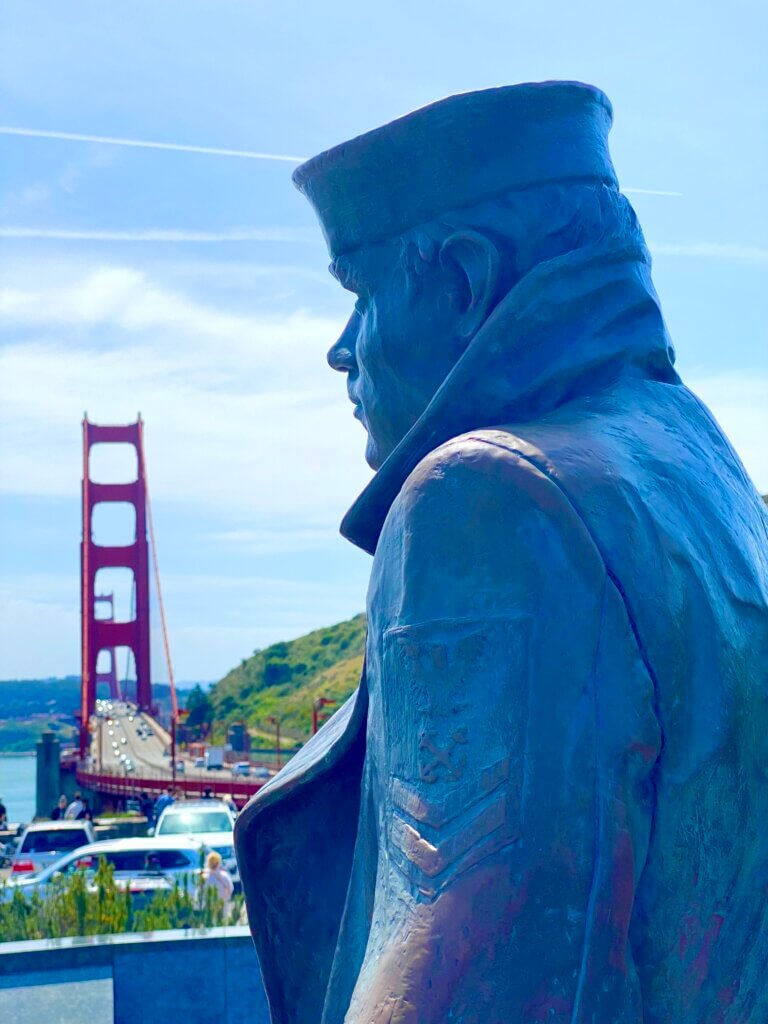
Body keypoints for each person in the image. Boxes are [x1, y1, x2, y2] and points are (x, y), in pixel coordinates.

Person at [235, 82, 768, 1023]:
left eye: (360, 295)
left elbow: (454, 987)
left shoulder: (485, 504)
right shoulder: (704, 472)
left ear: (466, 281)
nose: (340, 351)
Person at [201, 850, 233, 916]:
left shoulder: (204, 877)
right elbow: (230, 889)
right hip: (223, 907)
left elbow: (199, 894)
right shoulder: (225, 876)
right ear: (219, 862)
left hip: (208, 909)